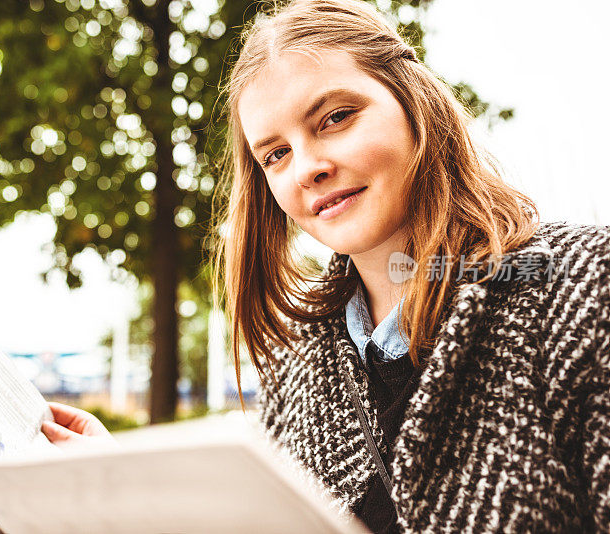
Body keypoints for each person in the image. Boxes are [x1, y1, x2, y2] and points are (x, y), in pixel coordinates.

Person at [44, 0, 610, 532]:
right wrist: (121, 494)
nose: (306, 168)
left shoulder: (583, 286)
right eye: (275, 153)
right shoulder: (297, 370)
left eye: (336, 117)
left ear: (414, 103)